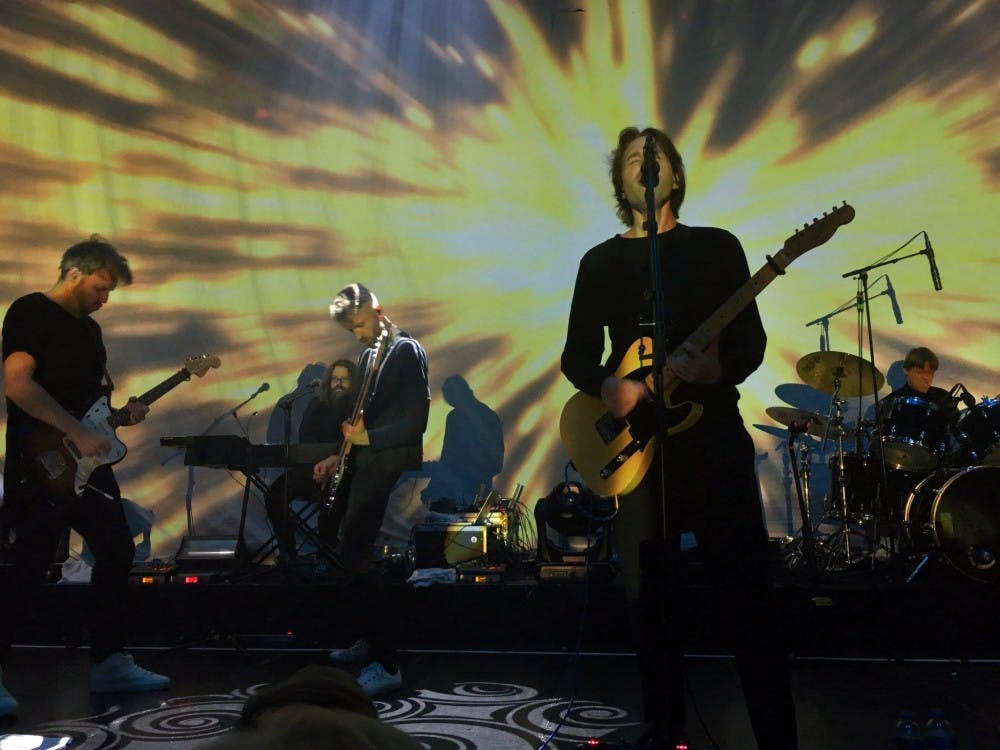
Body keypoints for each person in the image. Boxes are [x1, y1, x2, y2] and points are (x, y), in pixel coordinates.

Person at [560, 127, 798, 749]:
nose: (646, 165)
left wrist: (715, 368)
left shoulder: (718, 248)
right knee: (648, 599)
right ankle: (663, 725)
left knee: (746, 592)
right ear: (619, 180)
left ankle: (777, 735)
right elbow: (577, 357)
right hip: (638, 447)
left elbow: (748, 340)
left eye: (656, 156)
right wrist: (611, 386)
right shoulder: (600, 261)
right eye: (634, 159)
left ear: (676, 174)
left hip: (712, 434)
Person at [0, 235, 169, 719]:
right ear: (75, 272)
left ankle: (109, 661)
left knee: (116, 548)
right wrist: (75, 430)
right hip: (42, 465)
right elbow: (17, 384)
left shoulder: (90, 332)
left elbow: (92, 405)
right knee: (29, 567)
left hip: (88, 469)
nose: (105, 298)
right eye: (101, 286)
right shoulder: (31, 311)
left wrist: (121, 416)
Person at [312, 283, 429, 698]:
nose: (358, 335)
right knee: (349, 553)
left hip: (387, 458)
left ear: (378, 310)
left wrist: (368, 441)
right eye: (351, 330)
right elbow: (358, 424)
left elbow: (415, 423)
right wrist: (336, 454)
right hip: (365, 459)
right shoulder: (368, 355)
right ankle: (369, 641)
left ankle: (387, 662)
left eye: (360, 325)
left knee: (356, 554)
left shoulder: (405, 351)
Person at [263, 359, 357, 561]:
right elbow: (306, 439)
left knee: (332, 499)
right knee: (274, 496)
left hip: (345, 472)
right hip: (312, 470)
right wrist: (318, 465)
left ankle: (327, 553)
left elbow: (352, 443)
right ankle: (289, 553)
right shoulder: (316, 405)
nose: (339, 383)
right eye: (335, 379)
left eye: (344, 379)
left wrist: (331, 463)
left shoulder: (357, 409)